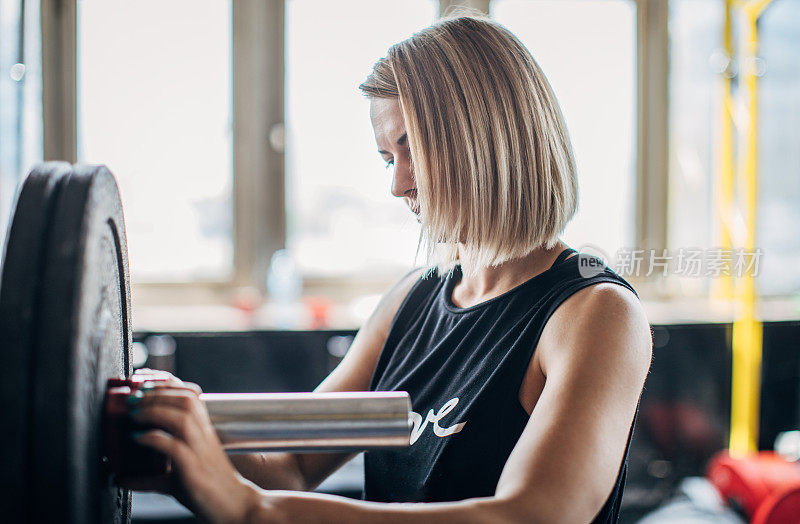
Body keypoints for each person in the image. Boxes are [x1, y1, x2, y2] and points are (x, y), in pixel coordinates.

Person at [123, 14, 652, 523]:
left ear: (491, 142)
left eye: (413, 150)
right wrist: (176, 432)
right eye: (386, 158)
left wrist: (247, 510)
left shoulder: (596, 313)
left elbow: (528, 516)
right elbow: (293, 467)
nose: (397, 186)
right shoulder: (413, 299)